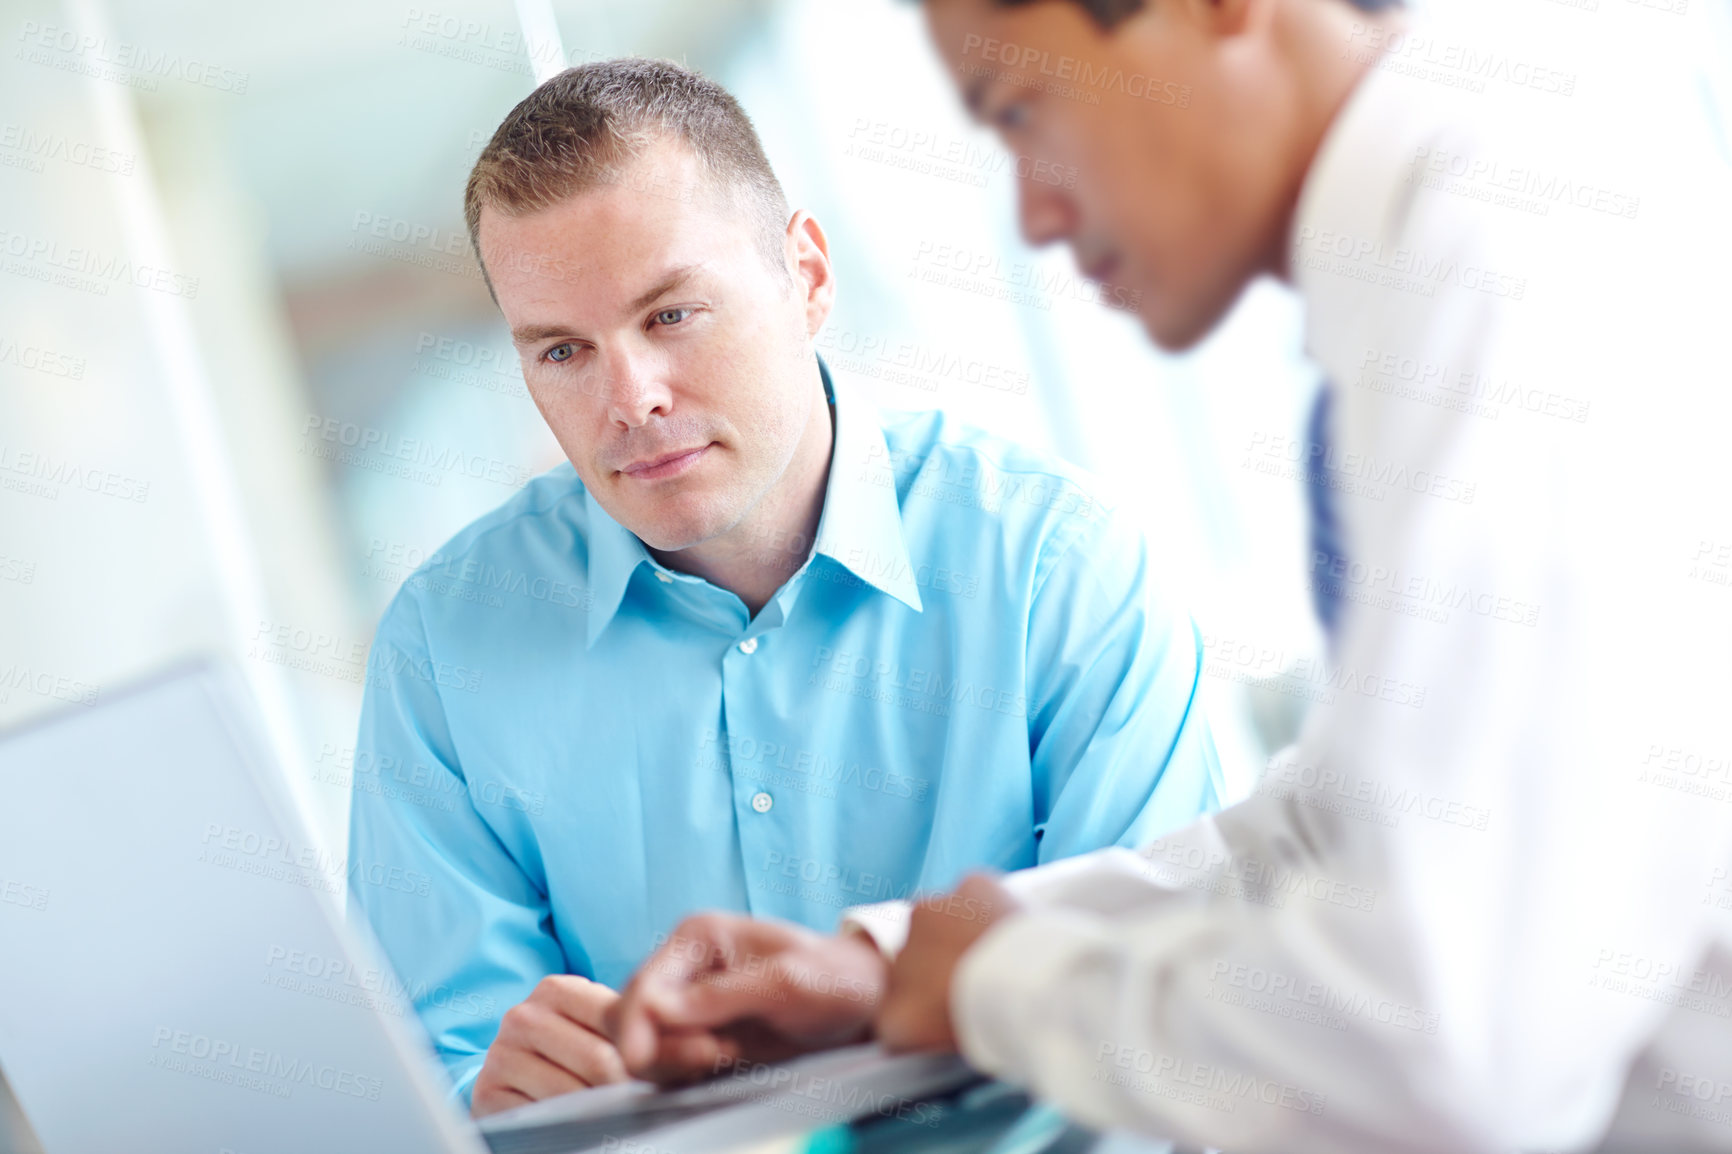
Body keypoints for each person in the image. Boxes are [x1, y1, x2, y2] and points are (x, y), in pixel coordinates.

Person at [607, 1, 1732, 1150]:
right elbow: (1349, 827)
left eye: (1021, 109)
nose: (1036, 215)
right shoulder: (1443, 241)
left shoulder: (1499, 257)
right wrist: (893, 964)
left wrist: (1005, 988)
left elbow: (1437, 1039)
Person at [349, 57, 1225, 1118]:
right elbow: (435, 1071)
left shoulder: (1056, 571)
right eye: (563, 349)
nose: (629, 399)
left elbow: (1159, 993)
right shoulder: (446, 648)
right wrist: (488, 1094)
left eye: (671, 315)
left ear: (806, 276)